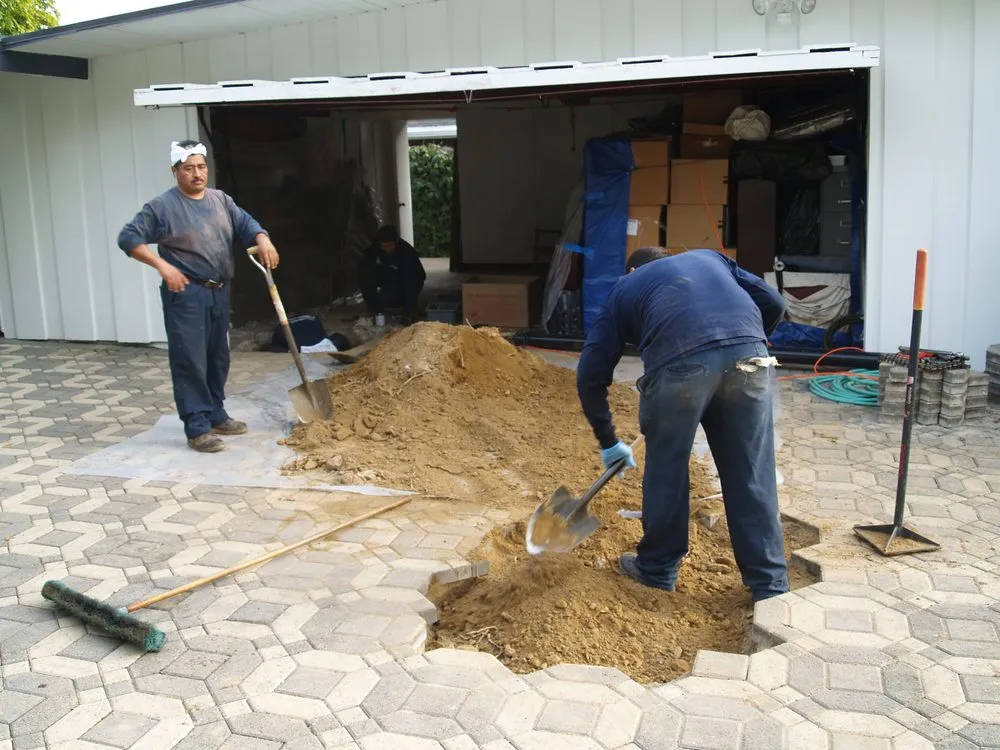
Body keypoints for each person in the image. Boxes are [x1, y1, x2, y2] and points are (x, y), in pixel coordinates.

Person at [576, 247, 789, 603]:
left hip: (679, 367)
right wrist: (737, 344)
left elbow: (589, 376)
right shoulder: (710, 257)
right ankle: (770, 585)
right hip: (750, 358)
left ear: (632, 269)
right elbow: (775, 303)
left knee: (667, 471)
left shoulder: (625, 287)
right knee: (752, 470)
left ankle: (658, 570)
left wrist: (609, 441)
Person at [118, 140, 280, 453]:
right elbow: (128, 238)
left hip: (218, 291)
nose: (197, 174)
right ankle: (196, 426)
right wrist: (163, 266)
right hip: (186, 293)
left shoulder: (220, 200)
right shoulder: (162, 207)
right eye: (189, 168)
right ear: (175, 171)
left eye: (201, 167)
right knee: (190, 359)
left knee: (217, 355)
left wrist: (262, 238)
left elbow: (246, 223)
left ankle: (216, 413)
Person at [358, 225, 426, 323]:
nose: (387, 249)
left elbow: (415, 281)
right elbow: (364, 273)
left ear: (397, 241)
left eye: (390, 246)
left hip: (404, 283)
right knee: (365, 275)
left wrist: (408, 311)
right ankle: (374, 310)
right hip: (388, 280)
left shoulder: (407, 253)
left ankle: (410, 309)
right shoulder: (373, 250)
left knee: (407, 288)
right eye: (384, 246)